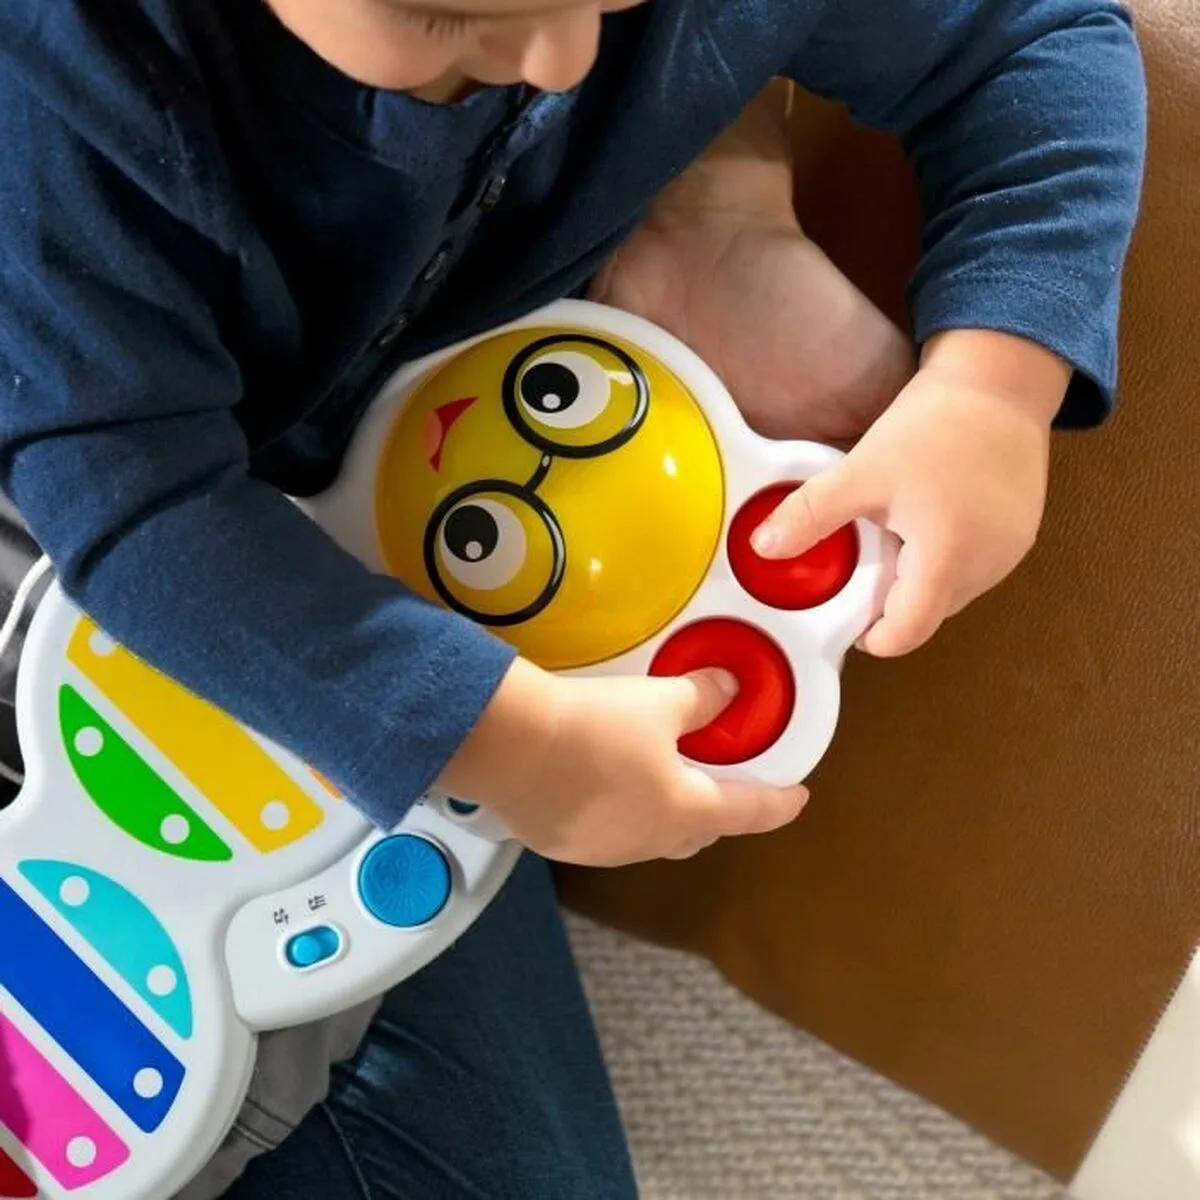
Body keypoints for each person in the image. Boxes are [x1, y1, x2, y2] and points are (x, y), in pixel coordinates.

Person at [0, 0, 1145, 1194]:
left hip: (362, 552)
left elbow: (1038, 33)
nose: (562, 64)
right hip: (89, 490)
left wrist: (994, 382)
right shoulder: (64, 72)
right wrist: (506, 741)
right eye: (446, 18)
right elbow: (131, 497)